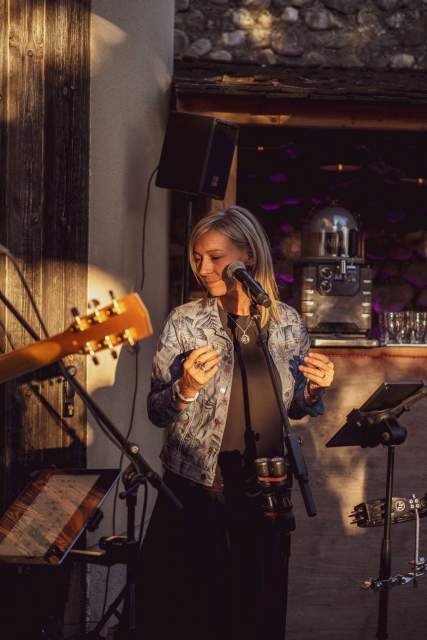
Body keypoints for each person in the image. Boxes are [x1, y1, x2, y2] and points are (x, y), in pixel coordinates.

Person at [137, 206, 334, 640]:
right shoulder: (186, 322)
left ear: (248, 255)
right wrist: (185, 387)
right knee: (188, 615)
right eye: (196, 258)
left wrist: (315, 390)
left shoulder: (286, 324)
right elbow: (156, 411)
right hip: (197, 489)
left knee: (256, 614)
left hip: (265, 493)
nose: (203, 268)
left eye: (215, 257)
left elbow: (296, 408)